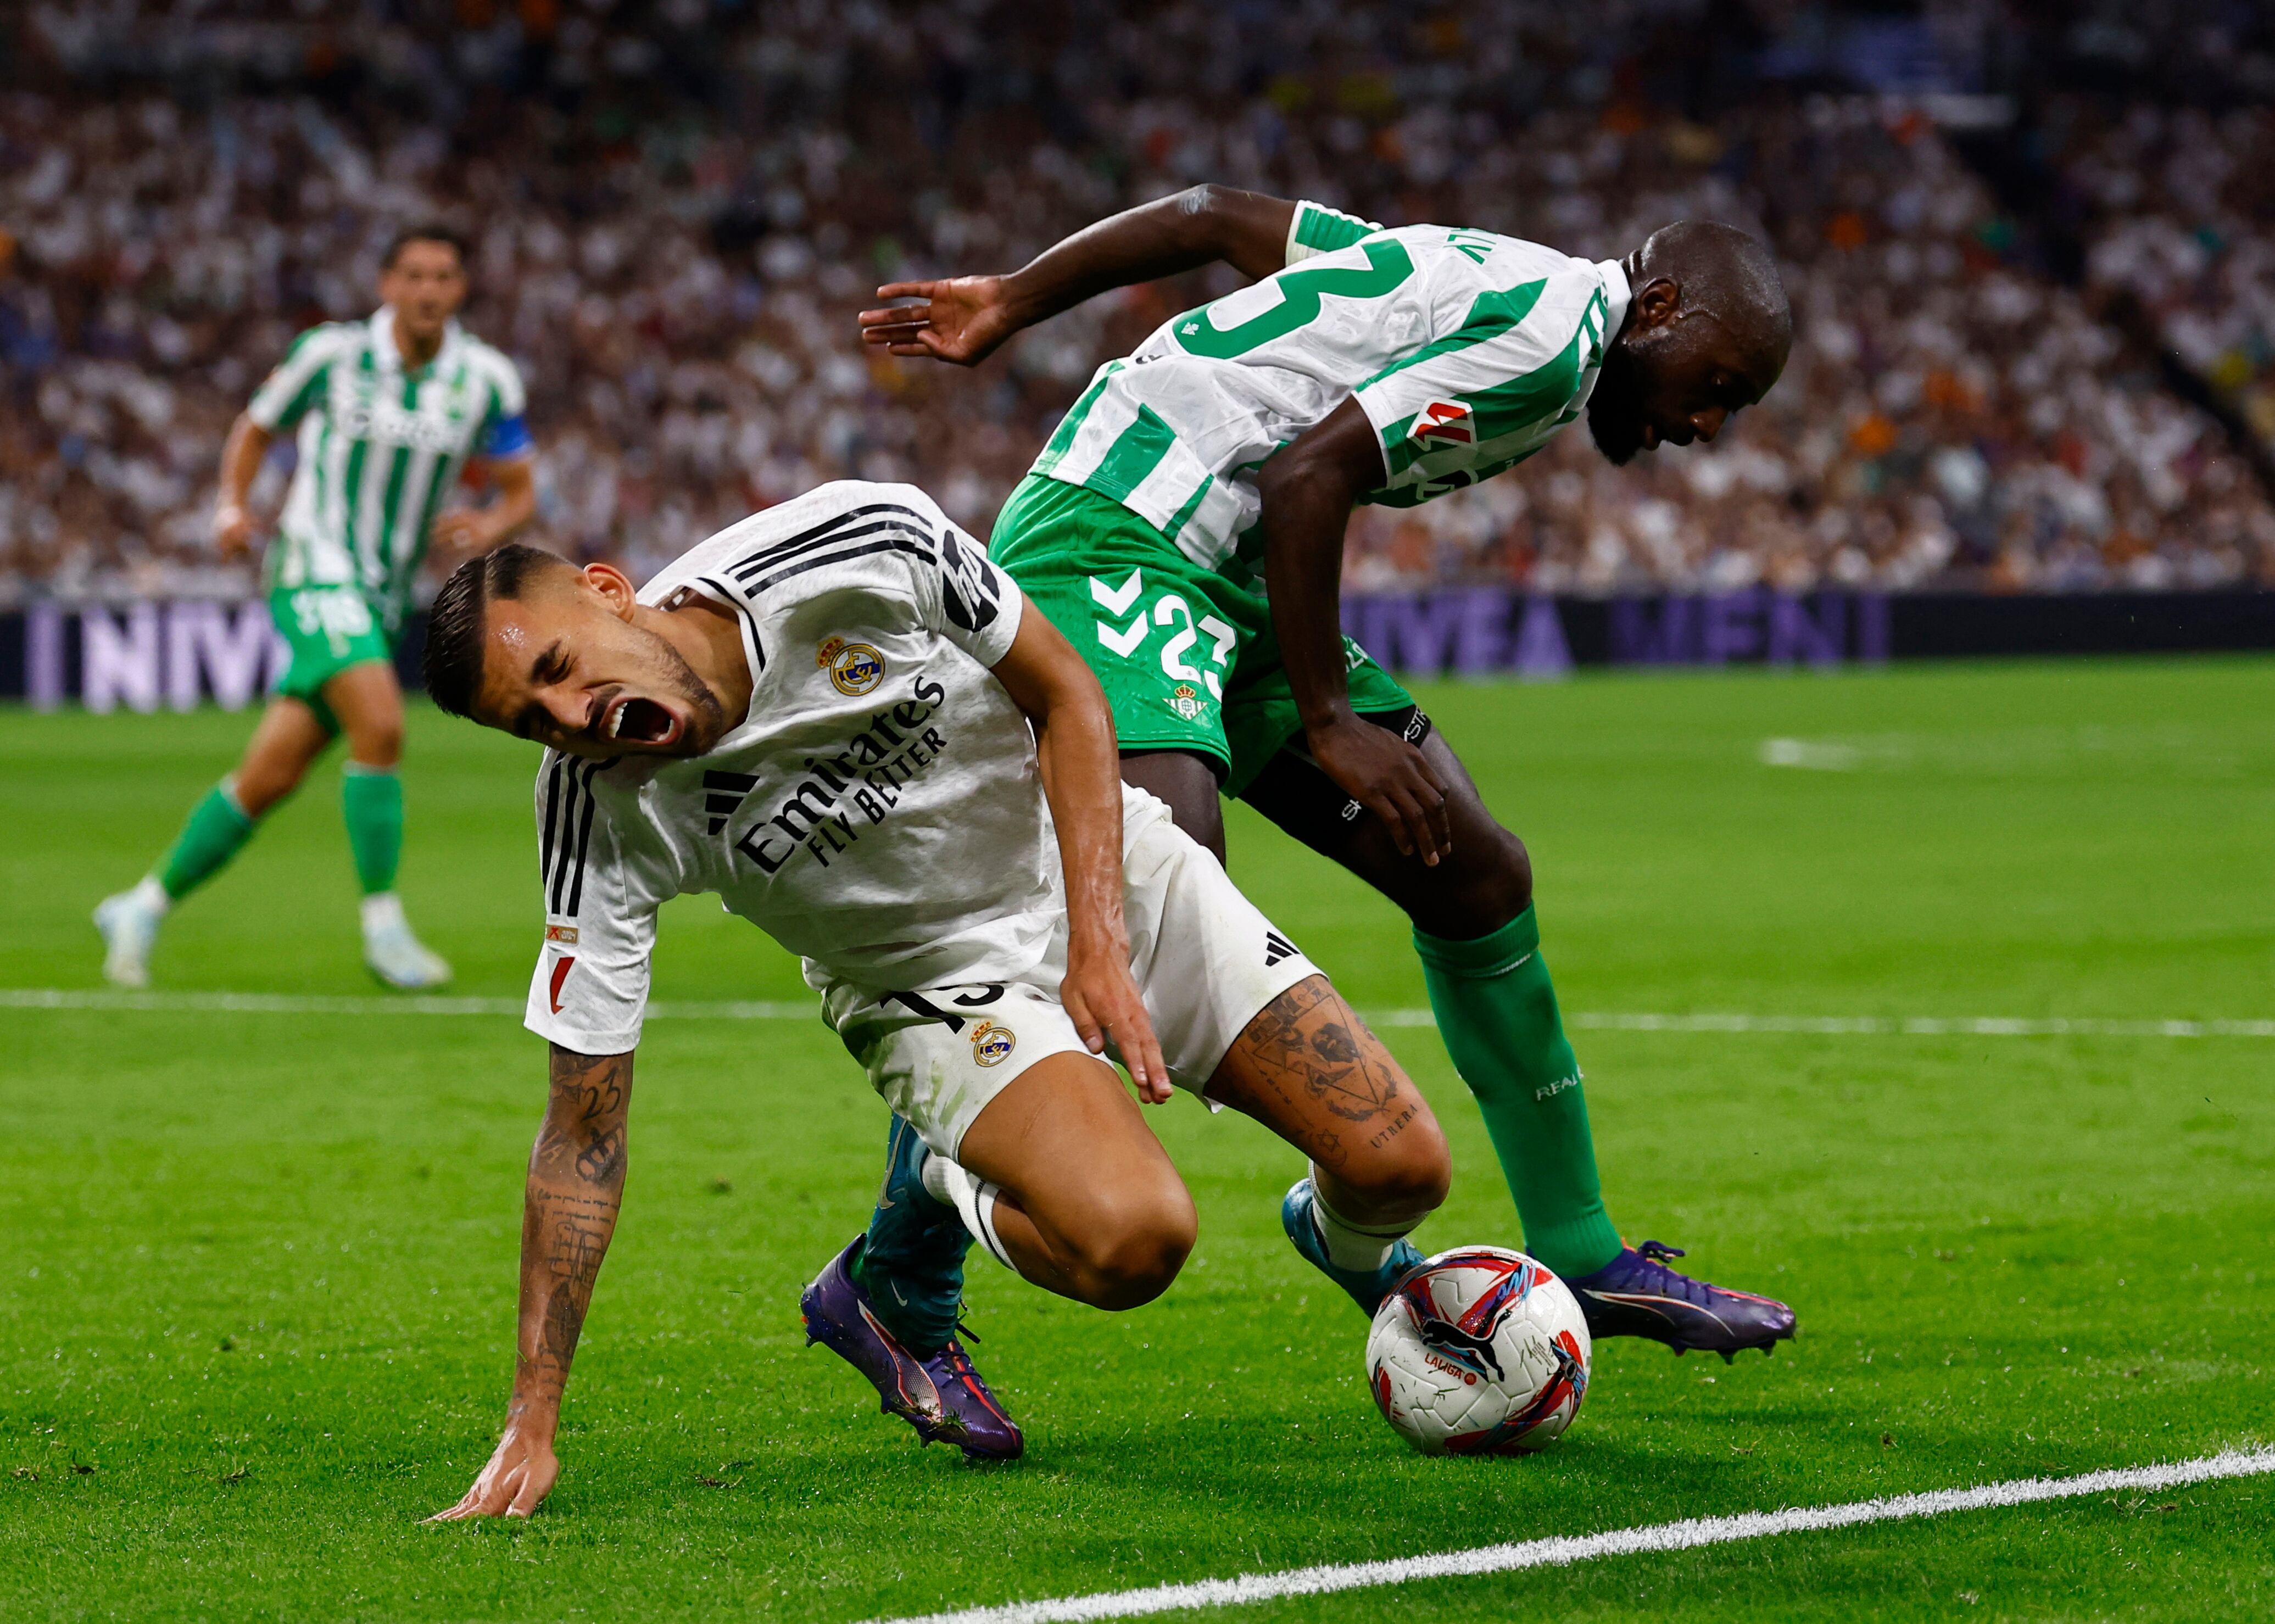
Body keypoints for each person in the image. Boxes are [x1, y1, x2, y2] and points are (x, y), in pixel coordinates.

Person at [857, 187, 1797, 1358]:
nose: (1706, 423)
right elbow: (1313, 476)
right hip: (1118, 528)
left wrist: (1011, 298)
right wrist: (1330, 718)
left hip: (1233, 569)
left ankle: (1576, 1254)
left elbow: (1211, 218)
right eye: (1717, 385)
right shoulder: (1551, 349)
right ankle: (901, 1257)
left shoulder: (1491, 273)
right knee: (1158, 899)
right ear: (1657, 305)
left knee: (1474, 876)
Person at [416, 481, 1453, 1511]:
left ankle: (1343, 1240)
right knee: (1135, 1244)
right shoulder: (596, 808)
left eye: (557, 668)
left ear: (609, 589)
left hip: (1101, 863)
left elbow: (1066, 695)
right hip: (931, 989)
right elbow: (582, 1125)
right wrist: (532, 1418)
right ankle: (942, 1180)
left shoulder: (851, 545)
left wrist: (1098, 938)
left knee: (1403, 1166)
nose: (572, 717)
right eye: (536, 723)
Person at [93, 224, 535, 990]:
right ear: (386, 285)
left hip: (386, 591)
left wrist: (489, 525)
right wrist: (232, 506)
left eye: (443, 276)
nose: (428, 290)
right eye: (414, 275)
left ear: (460, 289)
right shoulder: (332, 356)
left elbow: (519, 485)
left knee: (269, 776)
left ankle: (142, 904)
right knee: (384, 724)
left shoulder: (487, 379)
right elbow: (256, 427)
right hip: (311, 562)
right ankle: (383, 924)